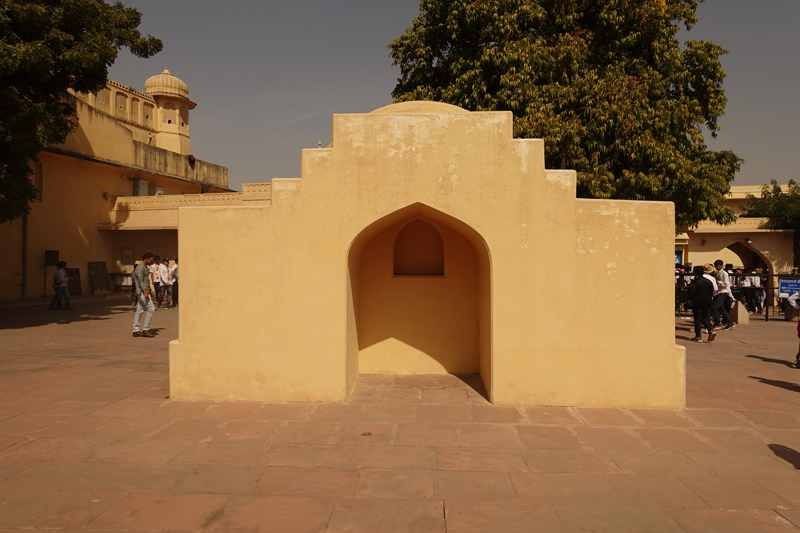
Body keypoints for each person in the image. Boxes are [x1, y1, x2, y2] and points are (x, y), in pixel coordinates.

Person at [687, 265, 716, 342]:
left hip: (698, 302)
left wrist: (688, 302)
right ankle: (710, 330)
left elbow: (691, 294)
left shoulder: (695, 282)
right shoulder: (708, 282)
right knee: (704, 317)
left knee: (697, 318)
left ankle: (698, 336)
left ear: (695, 273)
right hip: (707, 302)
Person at [133, 253, 156, 338]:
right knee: (151, 309)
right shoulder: (140, 267)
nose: (151, 262)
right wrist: (145, 291)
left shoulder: (145, 267)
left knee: (139, 310)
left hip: (145, 291)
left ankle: (136, 330)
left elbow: (146, 280)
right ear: (146, 259)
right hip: (142, 292)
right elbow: (140, 280)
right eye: (150, 260)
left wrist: (150, 290)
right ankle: (145, 329)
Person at [711, 260, 735, 330]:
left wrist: (718, 282)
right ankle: (730, 322)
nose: (716, 267)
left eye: (717, 266)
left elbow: (726, 284)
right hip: (717, 292)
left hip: (722, 292)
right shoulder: (717, 273)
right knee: (722, 309)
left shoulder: (724, 274)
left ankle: (717, 323)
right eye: (715, 266)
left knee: (715, 307)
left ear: (721, 266)